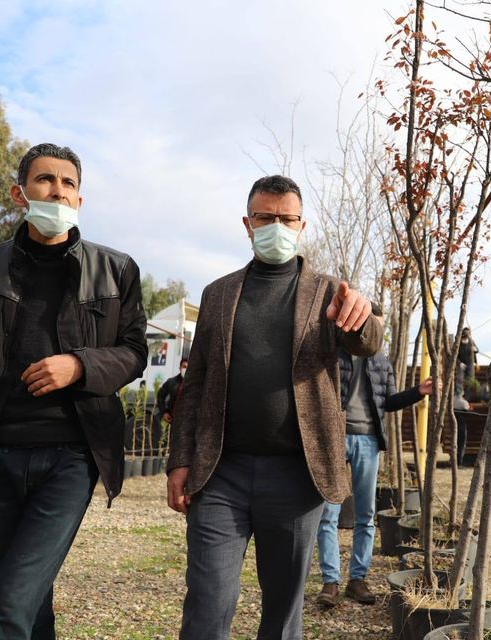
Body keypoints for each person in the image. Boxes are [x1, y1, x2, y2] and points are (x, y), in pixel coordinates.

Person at [0, 143, 148, 639]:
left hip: (71, 456)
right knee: (29, 600)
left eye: (68, 183)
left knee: (8, 608)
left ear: (79, 201)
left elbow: (135, 351)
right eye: (45, 180)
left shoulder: (117, 270)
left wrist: (81, 365)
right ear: (20, 192)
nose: (57, 191)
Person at [166, 175, 381, 640]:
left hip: (296, 476)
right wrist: (179, 461)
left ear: (302, 225)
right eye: (265, 217)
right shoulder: (218, 294)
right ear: (248, 223)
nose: (276, 226)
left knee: (283, 612)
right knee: (207, 603)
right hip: (220, 473)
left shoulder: (328, 292)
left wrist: (363, 314)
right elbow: (196, 382)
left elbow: (368, 342)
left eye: (287, 218)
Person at [316, 321, 434, 608]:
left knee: (366, 515)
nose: (372, 331)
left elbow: (389, 402)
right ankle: (330, 581)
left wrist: (418, 391)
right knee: (328, 512)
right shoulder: (333, 353)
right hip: (335, 438)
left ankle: (358, 580)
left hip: (368, 440)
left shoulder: (381, 360)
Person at [158, 357, 188, 424]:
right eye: (184, 367)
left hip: (189, 421)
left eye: (188, 367)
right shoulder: (172, 382)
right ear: (180, 368)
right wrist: (164, 412)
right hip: (174, 420)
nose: (186, 369)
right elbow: (160, 395)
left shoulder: (195, 383)